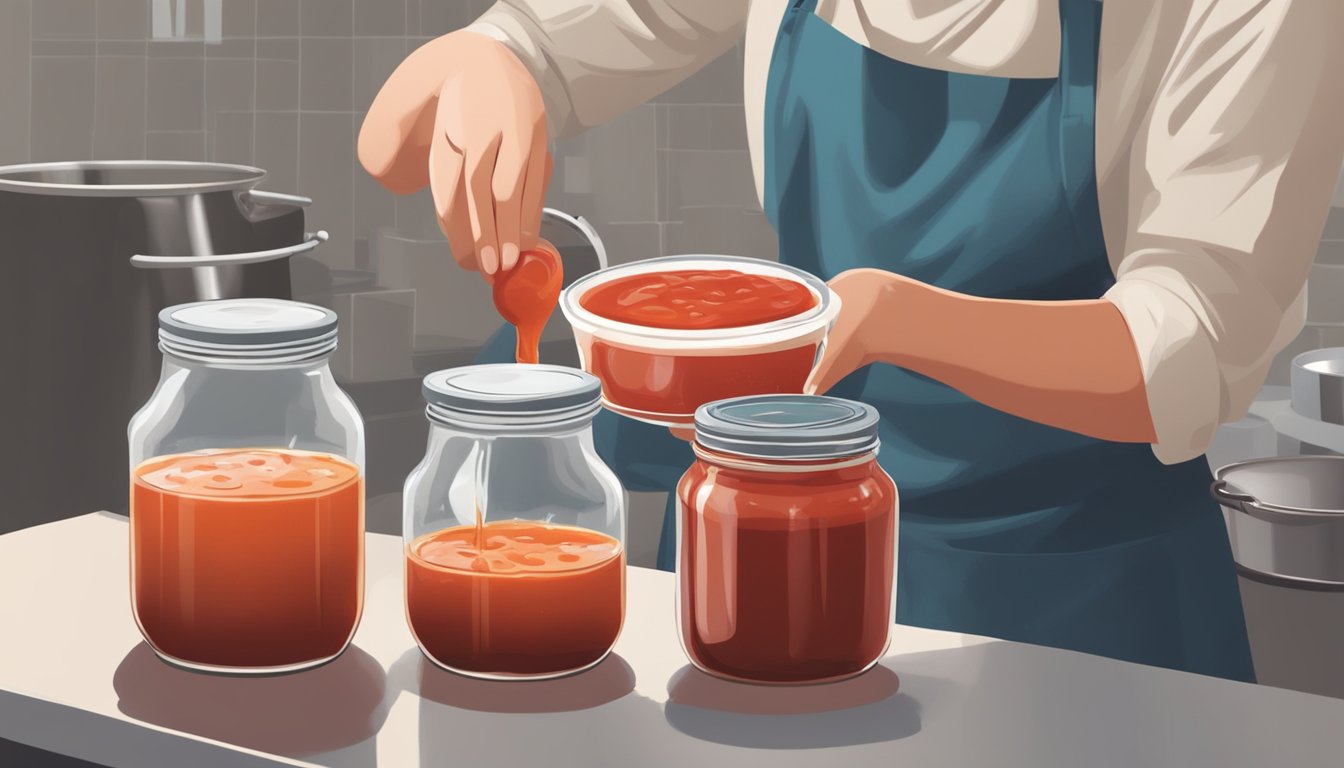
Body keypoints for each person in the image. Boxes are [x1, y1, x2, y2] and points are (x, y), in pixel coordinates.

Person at [358, 0, 1344, 682]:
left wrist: (898, 320)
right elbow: (557, 43)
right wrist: (496, 58)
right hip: (790, 568)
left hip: (1084, 604)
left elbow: (1193, 346)